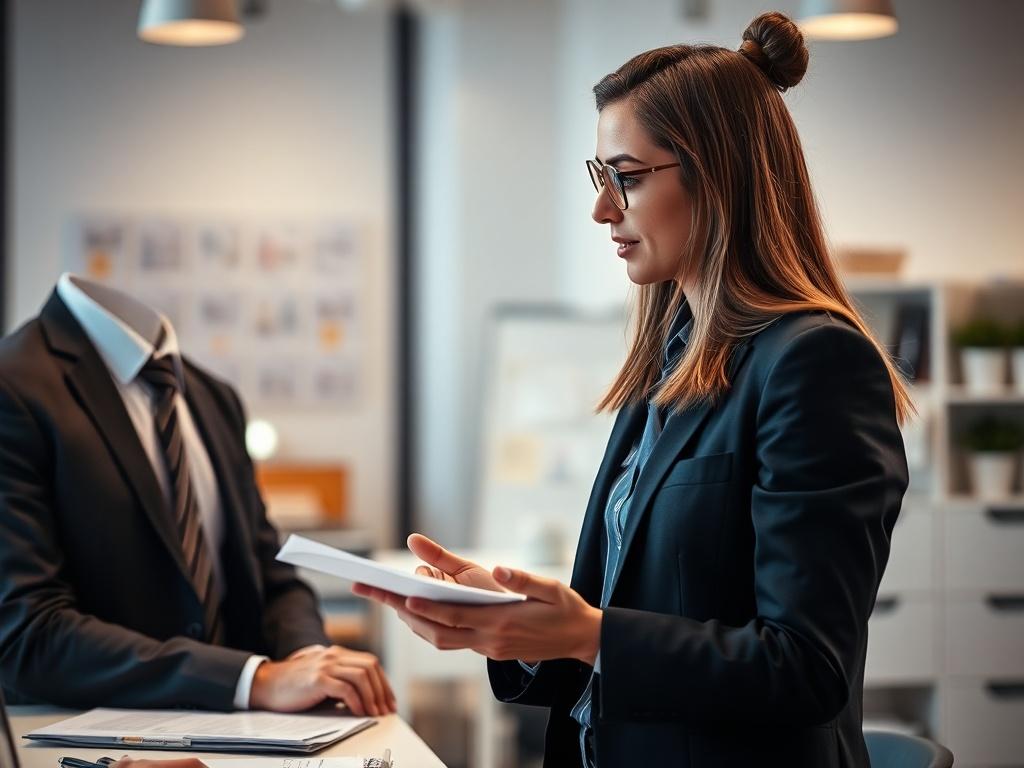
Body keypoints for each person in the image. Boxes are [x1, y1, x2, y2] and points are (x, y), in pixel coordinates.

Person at [354, 11, 911, 768]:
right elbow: (638, 616)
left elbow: (807, 668)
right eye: (599, 176)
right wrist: (516, 621)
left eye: (628, 176)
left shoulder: (815, 365)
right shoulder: (670, 361)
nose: (602, 208)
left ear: (719, 174)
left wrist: (587, 632)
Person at [0, 274, 395, 717]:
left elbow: (270, 574)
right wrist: (252, 679)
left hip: (248, 738)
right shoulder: (15, 386)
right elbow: (26, 632)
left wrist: (309, 659)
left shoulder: (213, 397)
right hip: (90, 736)